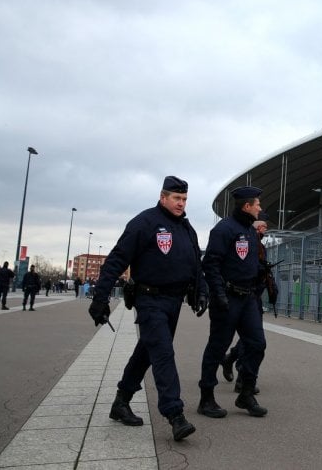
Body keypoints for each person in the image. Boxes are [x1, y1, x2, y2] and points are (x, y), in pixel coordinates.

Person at [87, 176, 209, 442]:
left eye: (185, 199)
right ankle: (175, 415)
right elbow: (117, 258)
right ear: (163, 197)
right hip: (149, 299)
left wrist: (201, 290)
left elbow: (195, 265)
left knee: (147, 352)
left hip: (174, 302)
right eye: (176, 199)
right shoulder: (144, 223)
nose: (181, 204)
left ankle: (121, 401)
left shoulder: (187, 229)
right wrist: (100, 297)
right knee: (163, 353)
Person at [199, 186, 268, 418]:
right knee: (217, 347)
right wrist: (217, 293)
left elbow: (248, 263)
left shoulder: (250, 231)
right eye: (257, 204)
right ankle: (206, 398)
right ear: (246, 206)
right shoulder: (224, 229)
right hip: (227, 296)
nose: (260, 207)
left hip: (248, 297)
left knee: (257, 344)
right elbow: (211, 263)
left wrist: (260, 276)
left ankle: (246, 393)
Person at [222, 217, 276, 393]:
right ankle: (242, 379)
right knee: (251, 340)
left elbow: (263, 270)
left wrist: (270, 284)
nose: (265, 230)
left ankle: (231, 360)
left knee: (252, 338)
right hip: (242, 295)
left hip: (254, 296)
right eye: (264, 227)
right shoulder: (248, 243)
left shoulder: (260, 246)